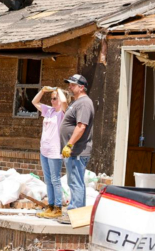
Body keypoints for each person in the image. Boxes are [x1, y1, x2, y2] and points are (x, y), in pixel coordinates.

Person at [58, 74, 94, 223]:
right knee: (75, 181)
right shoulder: (77, 102)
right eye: (70, 84)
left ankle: (75, 215)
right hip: (73, 151)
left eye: (73, 84)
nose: (70, 87)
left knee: (75, 182)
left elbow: (81, 127)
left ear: (81, 87)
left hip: (77, 151)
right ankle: (77, 214)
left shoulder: (84, 103)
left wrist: (69, 144)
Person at [32, 86, 68, 219]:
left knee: (55, 179)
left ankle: (58, 207)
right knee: (48, 180)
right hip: (44, 150)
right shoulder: (49, 111)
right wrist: (42, 91)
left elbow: (64, 102)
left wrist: (59, 90)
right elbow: (34, 102)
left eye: (54, 98)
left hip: (54, 151)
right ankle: (50, 206)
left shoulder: (62, 113)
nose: (52, 101)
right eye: (51, 98)